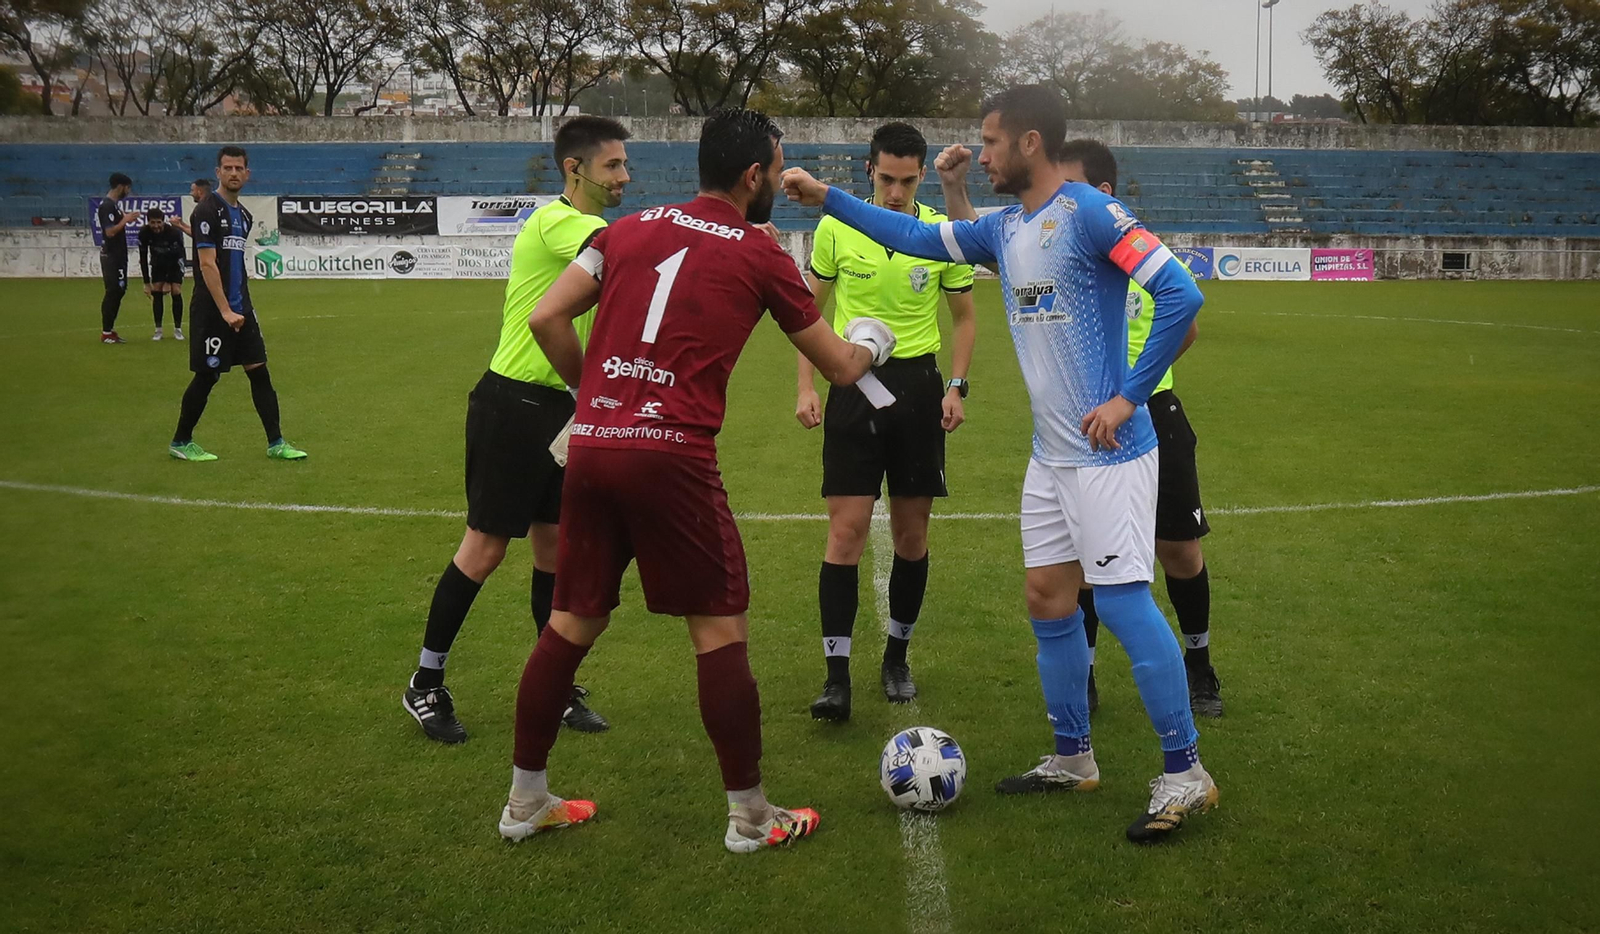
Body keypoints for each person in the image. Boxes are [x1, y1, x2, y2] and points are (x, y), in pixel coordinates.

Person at [782, 85, 1218, 844]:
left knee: (1118, 604)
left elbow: (1180, 294)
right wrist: (829, 199)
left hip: (1111, 452)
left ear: (1028, 144)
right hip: (1052, 456)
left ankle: (1187, 772)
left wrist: (1126, 398)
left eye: (988, 142)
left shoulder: (1087, 211)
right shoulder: (1007, 226)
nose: (977, 153)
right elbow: (916, 237)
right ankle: (1073, 757)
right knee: (1049, 597)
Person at [503, 108, 896, 853]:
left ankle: (525, 801)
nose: (780, 181)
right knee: (718, 631)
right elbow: (842, 368)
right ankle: (751, 817)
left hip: (591, 445)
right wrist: (874, 340)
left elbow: (548, 319)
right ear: (754, 176)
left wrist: (596, 400)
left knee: (570, 621)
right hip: (671, 454)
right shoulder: (759, 250)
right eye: (778, 169)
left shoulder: (622, 229)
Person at [935, 139, 1222, 717]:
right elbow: (996, 244)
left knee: (1179, 553)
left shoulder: (1122, 245)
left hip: (1148, 417)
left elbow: (1184, 321)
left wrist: (1130, 392)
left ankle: (1199, 666)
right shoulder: (1056, 238)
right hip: (1082, 431)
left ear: (1100, 193)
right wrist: (957, 191)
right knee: (1082, 567)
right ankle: (1084, 674)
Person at [402, 116, 633, 745]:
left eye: (624, 164)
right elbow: (630, 246)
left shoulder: (590, 228)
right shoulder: (562, 222)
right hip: (512, 404)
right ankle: (425, 683)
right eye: (612, 165)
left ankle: (551, 684)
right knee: (484, 548)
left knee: (555, 549)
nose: (624, 176)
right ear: (575, 169)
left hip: (559, 408)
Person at [797, 122, 976, 720]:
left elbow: (966, 317)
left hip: (918, 392)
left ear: (922, 174)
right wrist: (807, 386)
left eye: (907, 180)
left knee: (911, 534)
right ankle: (836, 676)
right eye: (886, 178)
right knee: (844, 534)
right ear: (868, 169)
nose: (896, 192)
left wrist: (956, 385)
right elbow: (806, 314)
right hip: (852, 384)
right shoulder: (835, 226)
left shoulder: (936, 233)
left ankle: (897, 656)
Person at [168, 146, 307, 463]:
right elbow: (207, 265)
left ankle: (276, 443)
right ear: (218, 172)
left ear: (247, 174)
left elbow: (235, 264)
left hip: (241, 308)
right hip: (213, 312)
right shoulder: (206, 210)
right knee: (208, 375)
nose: (233, 173)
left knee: (260, 373)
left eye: (238, 168)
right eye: (227, 168)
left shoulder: (243, 216)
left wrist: (242, 306)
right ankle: (181, 440)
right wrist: (225, 310)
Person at [97, 173, 139, 343]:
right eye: (128, 188)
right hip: (112, 256)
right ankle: (106, 332)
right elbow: (110, 232)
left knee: (119, 290)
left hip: (118, 255)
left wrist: (123, 218)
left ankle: (110, 330)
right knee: (113, 291)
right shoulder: (107, 206)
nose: (128, 191)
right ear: (121, 186)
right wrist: (126, 220)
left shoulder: (113, 206)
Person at [138, 208, 187, 341]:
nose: (156, 226)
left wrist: (168, 282)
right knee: (156, 291)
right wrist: (146, 283)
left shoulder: (173, 233)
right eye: (152, 222)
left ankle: (178, 329)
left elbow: (178, 255)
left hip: (175, 262)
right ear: (148, 222)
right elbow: (142, 257)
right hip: (157, 263)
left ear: (163, 221)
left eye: (158, 222)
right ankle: (158, 330)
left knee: (176, 291)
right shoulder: (144, 232)